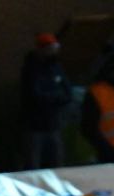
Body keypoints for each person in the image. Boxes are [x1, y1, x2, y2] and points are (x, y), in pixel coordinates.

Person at [19, 33, 73, 169]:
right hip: (35, 127)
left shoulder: (56, 68)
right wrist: (56, 97)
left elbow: (68, 93)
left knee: (57, 161)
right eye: (50, 48)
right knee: (33, 163)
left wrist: (52, 98)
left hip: (54, 125)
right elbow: (35, 96)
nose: (54, 51)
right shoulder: (31, 70)